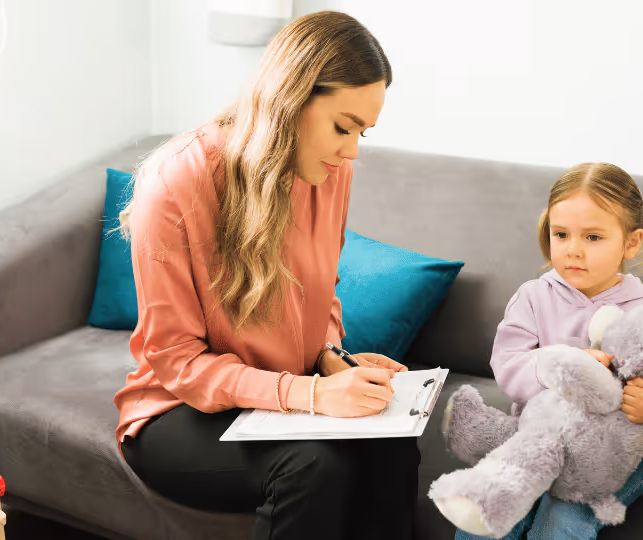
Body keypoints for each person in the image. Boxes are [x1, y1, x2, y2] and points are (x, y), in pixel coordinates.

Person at [112, 11, 419, 540]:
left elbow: (320, 294)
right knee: (313, 466)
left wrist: (331, 358)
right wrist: (316, 395)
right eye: (343, 127)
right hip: (177, 408)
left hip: (285, 394)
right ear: (290, 98)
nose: (352, 151)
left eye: (362, 132)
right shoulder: (177, 179)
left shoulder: (330, 171)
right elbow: (177, 362)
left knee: (390, 439)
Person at [456, 162, 643, 540]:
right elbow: (507, 364)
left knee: (561, 525)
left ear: (631, 242)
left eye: (592, 238)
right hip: (533, 441)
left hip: (609, 459)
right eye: (562, 235)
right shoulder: (534, 296)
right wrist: (559, 366)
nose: (573, 250)